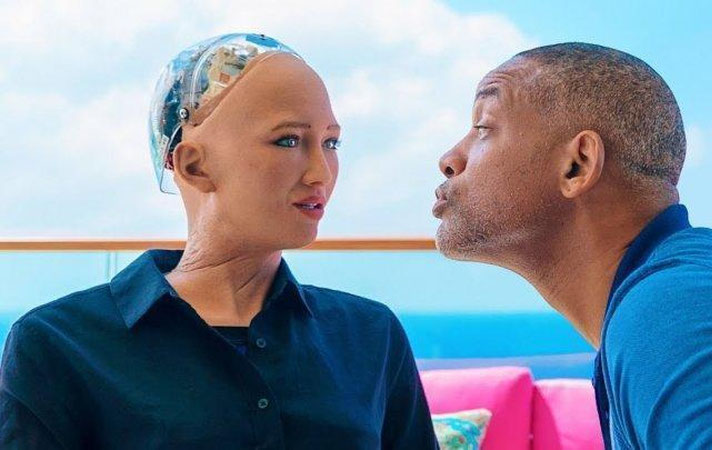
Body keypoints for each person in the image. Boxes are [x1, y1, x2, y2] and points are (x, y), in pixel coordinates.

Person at [0, 33, 437, 450]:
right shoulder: (56, 344)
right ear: (192, 165)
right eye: (288, 140)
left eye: (331, 142)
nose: (320, 172)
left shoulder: (372, 336)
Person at [433, 42, 712, 448]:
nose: (449, 159)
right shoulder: (675, 298)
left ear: (577, 165)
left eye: (483, 127)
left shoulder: (677, 316)